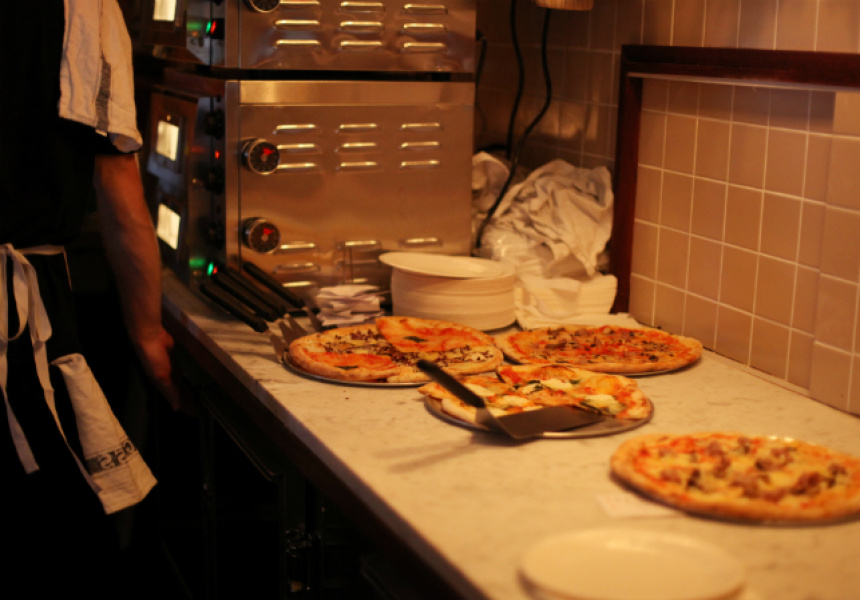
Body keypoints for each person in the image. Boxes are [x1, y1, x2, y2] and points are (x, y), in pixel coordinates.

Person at [1, 1, 183, 595]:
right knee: (57, 541)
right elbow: (119, 186)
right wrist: (148, 332)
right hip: (20, 312)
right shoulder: (85, 8)